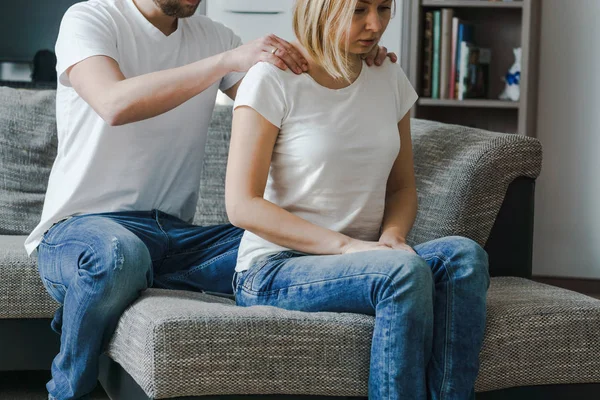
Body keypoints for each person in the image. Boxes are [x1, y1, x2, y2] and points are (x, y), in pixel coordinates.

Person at [24, 0, 392, 398]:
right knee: (117, 256)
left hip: (175, 238)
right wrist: (224, 62)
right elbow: (114, 103)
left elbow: (294, 96)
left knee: (280, 252)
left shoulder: (213, 37)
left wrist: (354, 61)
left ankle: (103, 292)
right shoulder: (91, 18)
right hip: (81, 230)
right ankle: (66, 389)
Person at [225, 0, 491, 399]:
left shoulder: (387, 75)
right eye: (359, 10)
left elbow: (401, 187)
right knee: (401, 273)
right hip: (275, 267)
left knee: (464, 258)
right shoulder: (272, 79)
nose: (375, 24)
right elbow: (241, 204)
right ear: (321, 8)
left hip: (370, 258)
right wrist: (349, 248)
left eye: (383, 8)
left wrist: (394, 237)